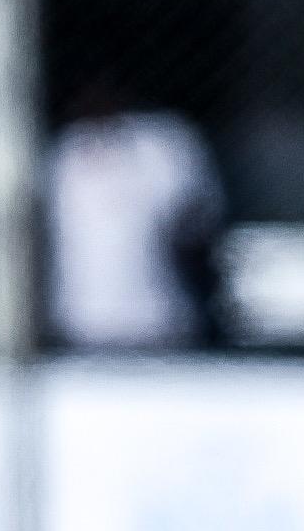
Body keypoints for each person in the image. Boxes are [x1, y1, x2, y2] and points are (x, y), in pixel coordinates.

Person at [47, 75, 224, 351]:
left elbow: (197, 228)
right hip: (79, 328)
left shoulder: (162, 144)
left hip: (159, 323)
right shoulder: (61, 153)